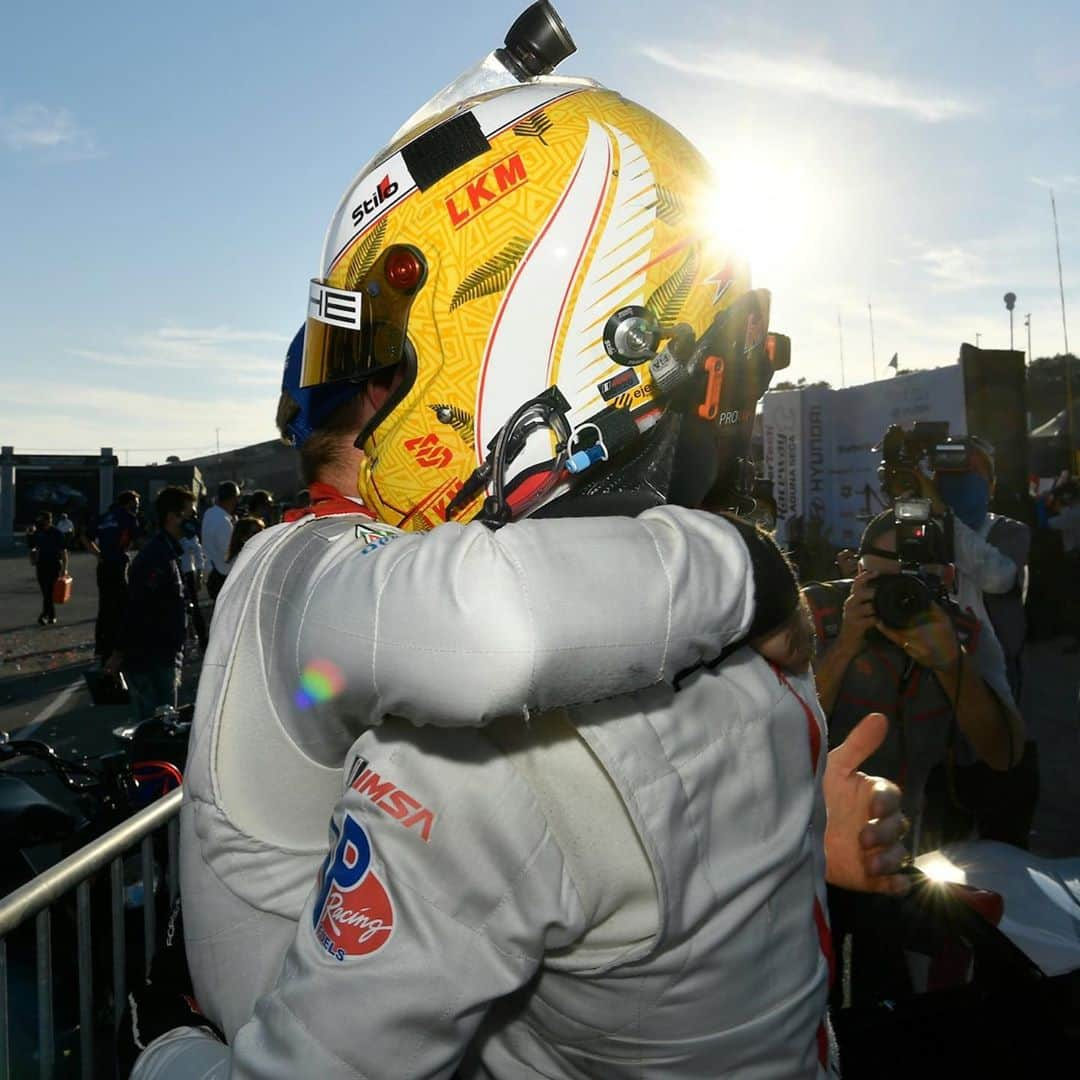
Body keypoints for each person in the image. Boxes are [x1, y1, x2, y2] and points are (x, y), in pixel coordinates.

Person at [128, 21, 908, 1077]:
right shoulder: (724, 628)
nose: (367, 415)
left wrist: (163, 1053)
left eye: (385, 365)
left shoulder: (481, 758)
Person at [805, 509, 1023, 852]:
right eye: (881, 581)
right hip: (816, 839)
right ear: (857, 572)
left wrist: (952, 666)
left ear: (947, 581)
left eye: (912, 582)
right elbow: (779, 735)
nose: (899, 596)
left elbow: (1004, 755)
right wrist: (845, 646)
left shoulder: (965, 635)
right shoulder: (816, 614)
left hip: (916, 845)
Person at [933, 435, 1031, 699]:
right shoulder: (925, 530)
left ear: (991, 486)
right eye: (952, 473)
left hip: (995, 666)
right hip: (936, 661)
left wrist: (944, 517)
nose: (962, 480)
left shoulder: (1010, 531)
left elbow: (997, 578)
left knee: (998, 737)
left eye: (972, 472)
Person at [106, 487, 195, 722]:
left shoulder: (167, 553)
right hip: (152, 658)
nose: (193, 520)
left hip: (163, 654)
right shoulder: (155, 557)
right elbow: (137, 607)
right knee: (155, 730)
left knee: (162, 727)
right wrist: (119, 652)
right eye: (189, 514)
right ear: (172, 517)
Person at [88, 490, 143, 659]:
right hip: (118, 565)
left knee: (105, 606)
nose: (137, 508)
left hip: (104, 565)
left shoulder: (104, 517)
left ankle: (101, 647)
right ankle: (120, 646)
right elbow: (139, 540)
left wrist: (98, 554)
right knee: (123, 605)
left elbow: (85, 536)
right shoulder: (128, 518)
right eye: (135, 504)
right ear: (128, 503)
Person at [201, 481, 239, 601]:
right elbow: (227, 552)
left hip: (211, 571)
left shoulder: (209, 513)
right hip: (222, 576)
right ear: (232, 499)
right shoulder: (224, 522)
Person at [29, 511, 67, 626]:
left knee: (49, 591)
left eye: (47, 520)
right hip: (41, 565)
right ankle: (51, 615)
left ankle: (45, 615)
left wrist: (64, 568)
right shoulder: (38, 532)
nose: (45, 522)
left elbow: (63, 551)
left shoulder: (57, 533)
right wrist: (32, 559)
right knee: (45, 592)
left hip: (54, 565)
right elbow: (33, 547)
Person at [179, 515, 208, 652]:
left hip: (187, 572)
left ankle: (202, 638)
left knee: (194, 607)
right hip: (175, 571)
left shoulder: (188, 528)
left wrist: (199, 573)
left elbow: (197, 552)